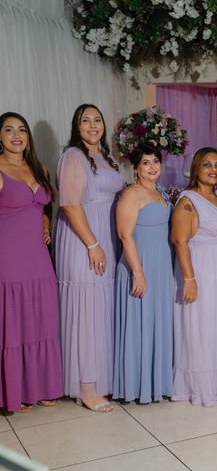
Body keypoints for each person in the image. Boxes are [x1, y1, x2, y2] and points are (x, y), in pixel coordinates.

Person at [55, 104, 124, 412]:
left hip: (106, 237)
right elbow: (70, 205)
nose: (93, 125)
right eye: (86, 121)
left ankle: (102, 379)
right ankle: (86, 386)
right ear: (76, 126)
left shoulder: (105, 157)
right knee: (86, 310)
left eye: (98, 120)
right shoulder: (73, 156)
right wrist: (93, 244)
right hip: (84, 239)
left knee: (101, 310)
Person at [171, 147, 217, 406]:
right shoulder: (187, 201)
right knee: (201, 325)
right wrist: (190, 279)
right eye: (206, 165)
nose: (213, 169)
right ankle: (200, 384)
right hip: (202, 268)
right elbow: (180, 241)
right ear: (196, 170)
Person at [0, 112, 62, 413]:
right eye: (9, 129)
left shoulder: (39, 167)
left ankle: (42, 387)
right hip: (8, 258)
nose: (16, 135)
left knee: (41, 320)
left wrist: (46, 224)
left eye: (22, 129)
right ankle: (15, 392)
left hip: (38, 257)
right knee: (14, 325)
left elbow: (43, 206)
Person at [112, 144, 173, 403]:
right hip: (140, 265)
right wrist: (138, 272)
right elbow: (125, 235)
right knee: (141, 323)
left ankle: (157, 383)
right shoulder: (131, 194)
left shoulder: (158, 191)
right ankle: (137, 386)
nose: (152, 167)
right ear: (135, 167)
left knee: (156, 321)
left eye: (155, 161)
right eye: (146, 162)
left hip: (160, 265)